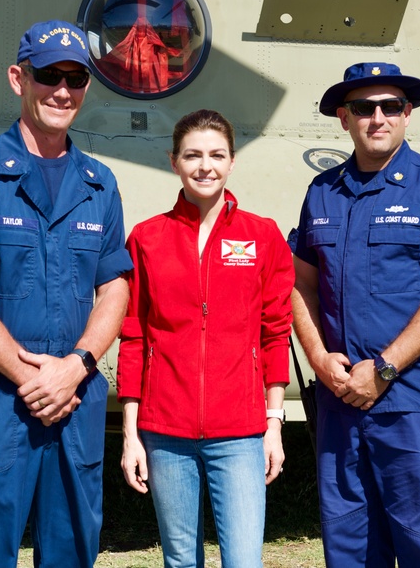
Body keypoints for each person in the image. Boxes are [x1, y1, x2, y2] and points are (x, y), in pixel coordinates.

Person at [0, 20, 132, 568]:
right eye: (48, 75)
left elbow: (114, 287)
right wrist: (33, 377)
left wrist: (78, 365)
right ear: (19, 78)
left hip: (75, 398)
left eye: (76, 79)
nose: (62, 90)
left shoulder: (100, 183)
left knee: (71, 554)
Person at [290, 62, 420, 567]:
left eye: (389, 106)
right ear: (344, 118)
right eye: (363, 108)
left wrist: (386, 367)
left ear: (407, 114)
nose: (378, 117)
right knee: (349, 548)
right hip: (340, 403)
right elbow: (300, 284)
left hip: (411, 405)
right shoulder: (322, 193)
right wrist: (318, 357)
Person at [117, 109, 294, 568]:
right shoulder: (146, 239)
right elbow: (133, 337)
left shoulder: (263, 236)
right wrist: (131, 435)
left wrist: (273, 424)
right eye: (192, 155)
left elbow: (276, 334)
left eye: (216, 155)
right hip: (165, 431)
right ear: (173, 161)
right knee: (180, 560)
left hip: (240, 433)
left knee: (243, 561)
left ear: (232, 162)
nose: (205, 166)